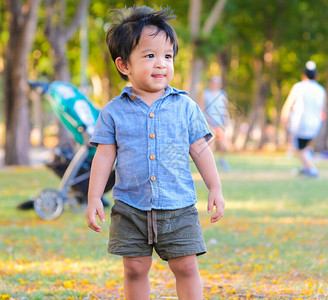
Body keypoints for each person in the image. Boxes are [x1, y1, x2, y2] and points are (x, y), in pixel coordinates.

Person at [85, 6, 225, 300]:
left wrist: (215, 188)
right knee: (135, 269)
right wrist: (94, 196)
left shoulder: (185, 106)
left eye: (168, 56)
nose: (161, 64)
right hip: (130, 207)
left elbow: (200, 150)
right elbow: (104, 157)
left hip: (178, 205)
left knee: (186, 266)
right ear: (124, 65)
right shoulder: (112, 112)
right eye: (150, 56)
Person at [281, 60, 326, 177]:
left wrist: (284, 119)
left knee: (299, 148)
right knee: (305, 147)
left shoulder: (298, 87)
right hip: (315, 124)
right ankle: (306, 167)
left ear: (304, 75)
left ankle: (312, 169)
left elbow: (288, 105)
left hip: (300, 123)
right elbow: (323, 110)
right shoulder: (321, 90)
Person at [200, 75, 230, 171]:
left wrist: (226, 121)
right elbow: (201, 108)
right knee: (209, 144)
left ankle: (222, 160)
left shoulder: (222, 94)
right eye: (214, 82)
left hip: (219, 123)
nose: (216, 84)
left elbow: (225, 109)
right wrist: (207, 120)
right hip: (209, 122)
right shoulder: (206, 93)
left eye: (218, 82)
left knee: (221, 143)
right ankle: (207, 163)